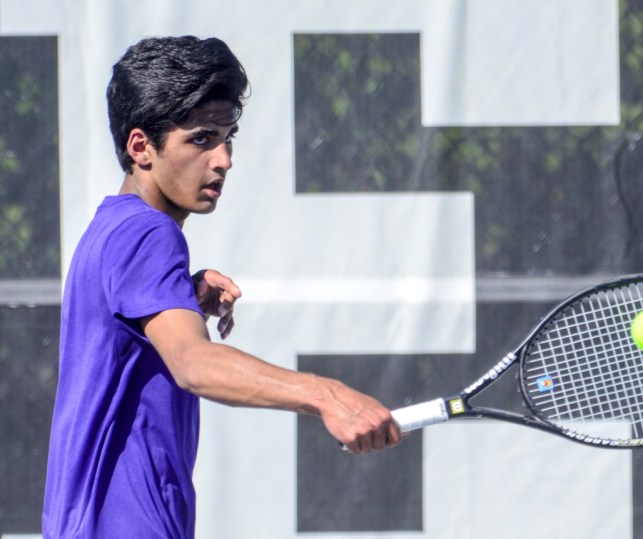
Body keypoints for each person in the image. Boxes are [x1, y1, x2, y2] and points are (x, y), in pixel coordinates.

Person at [43, 35, 401, 538]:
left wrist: (179, 296)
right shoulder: (149, 233)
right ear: (141, 146)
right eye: (202, 138)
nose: (224, 159)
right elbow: (193, 364)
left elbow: (126, 354)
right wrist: (326, 394)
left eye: (227, 137)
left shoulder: (110, 230)